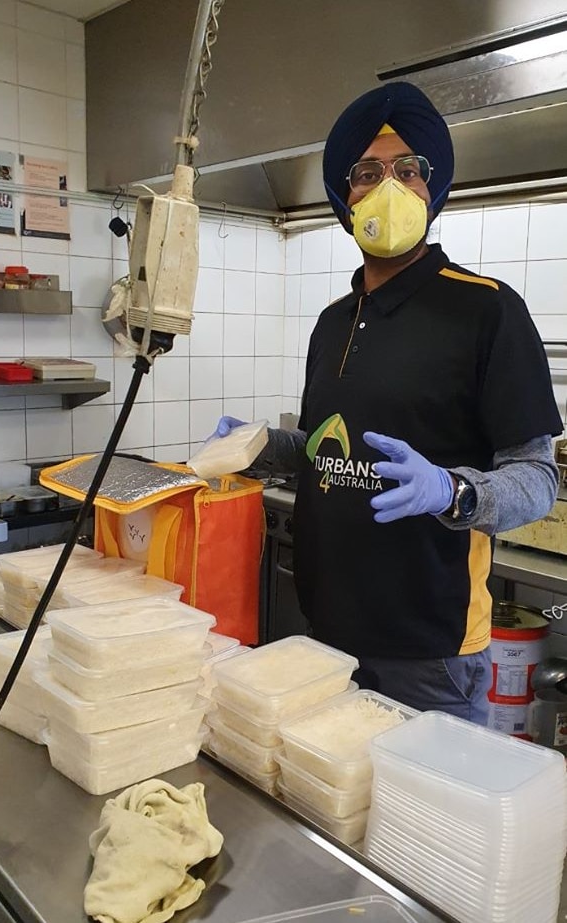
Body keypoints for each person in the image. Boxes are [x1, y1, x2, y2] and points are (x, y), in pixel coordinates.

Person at [213, 81, 562, 725]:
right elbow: (329, 452)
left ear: (435, 189)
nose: (388, 186)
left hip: (430, 652)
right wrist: (264, 445)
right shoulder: (333, 321)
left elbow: (538, 480)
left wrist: (452, 493)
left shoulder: (487, 310)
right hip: (325, 633)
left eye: (409, 170)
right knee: (331, 817)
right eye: (367, 172)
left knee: (425, 824)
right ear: (345, 198)